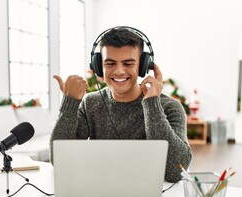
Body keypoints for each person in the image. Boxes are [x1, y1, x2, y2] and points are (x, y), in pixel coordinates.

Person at [50, 26, 192, 182]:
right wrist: (70, 104)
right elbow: (60, 161)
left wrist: (152, 105)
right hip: (102, 192)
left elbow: (176, 171)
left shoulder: (169, 107)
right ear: (98, 66)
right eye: (110, 63)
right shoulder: (91, 103)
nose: (118, 71)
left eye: (128, 64)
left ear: (143, 66)